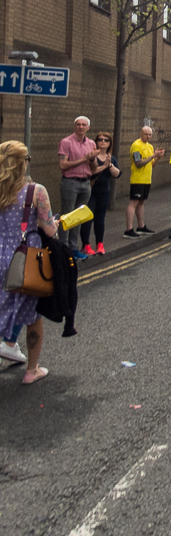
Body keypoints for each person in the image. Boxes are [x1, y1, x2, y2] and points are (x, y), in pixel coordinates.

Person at [0, 141, 60, 382]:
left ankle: (9, 344)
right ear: (23, 162)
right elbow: (48, 231)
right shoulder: (36, 191)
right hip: (24, 260)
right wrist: (54, 224)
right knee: (33, 315)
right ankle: (31, 370)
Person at [58, 116, 99, 259]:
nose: (81, 127)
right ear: (74, 126)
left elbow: (93, 169)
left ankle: (73, 248)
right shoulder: (66, 142)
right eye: (78, 124)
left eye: (84, 125)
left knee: (78, 218)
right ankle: (63, 249)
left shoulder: (91, 143)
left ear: (88, 128)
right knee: (67, 216)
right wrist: (84, 159)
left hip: (85, 183)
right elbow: (63, 165)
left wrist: (93, 159)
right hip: (70, 182)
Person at [80, 132, 120, 256]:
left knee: (100, 218)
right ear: (96, 142)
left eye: (106, 140)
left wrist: (110, 165)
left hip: (104, 191)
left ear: (109, 144)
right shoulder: (93, 156)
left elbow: (117, 174)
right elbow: (90, 172)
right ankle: (86, 245)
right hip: (91, 191)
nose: (103, 142)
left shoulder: (111, 158)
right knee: (87, 218)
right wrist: (105, 166)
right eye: (100, 140)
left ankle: (100, 244)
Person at [125, 126, 164, 239]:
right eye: (146, 134)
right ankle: (129, 229)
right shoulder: (136, 145)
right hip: (138, 179)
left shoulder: (150, 146)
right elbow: (138, 163)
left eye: (150, 135)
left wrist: (157, 158)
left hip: (147, 179)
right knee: (133, 203)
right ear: (141, 133)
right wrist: (153, 155)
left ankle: (141, 226)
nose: (148, 136)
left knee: (141, 202)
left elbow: (151, 164)